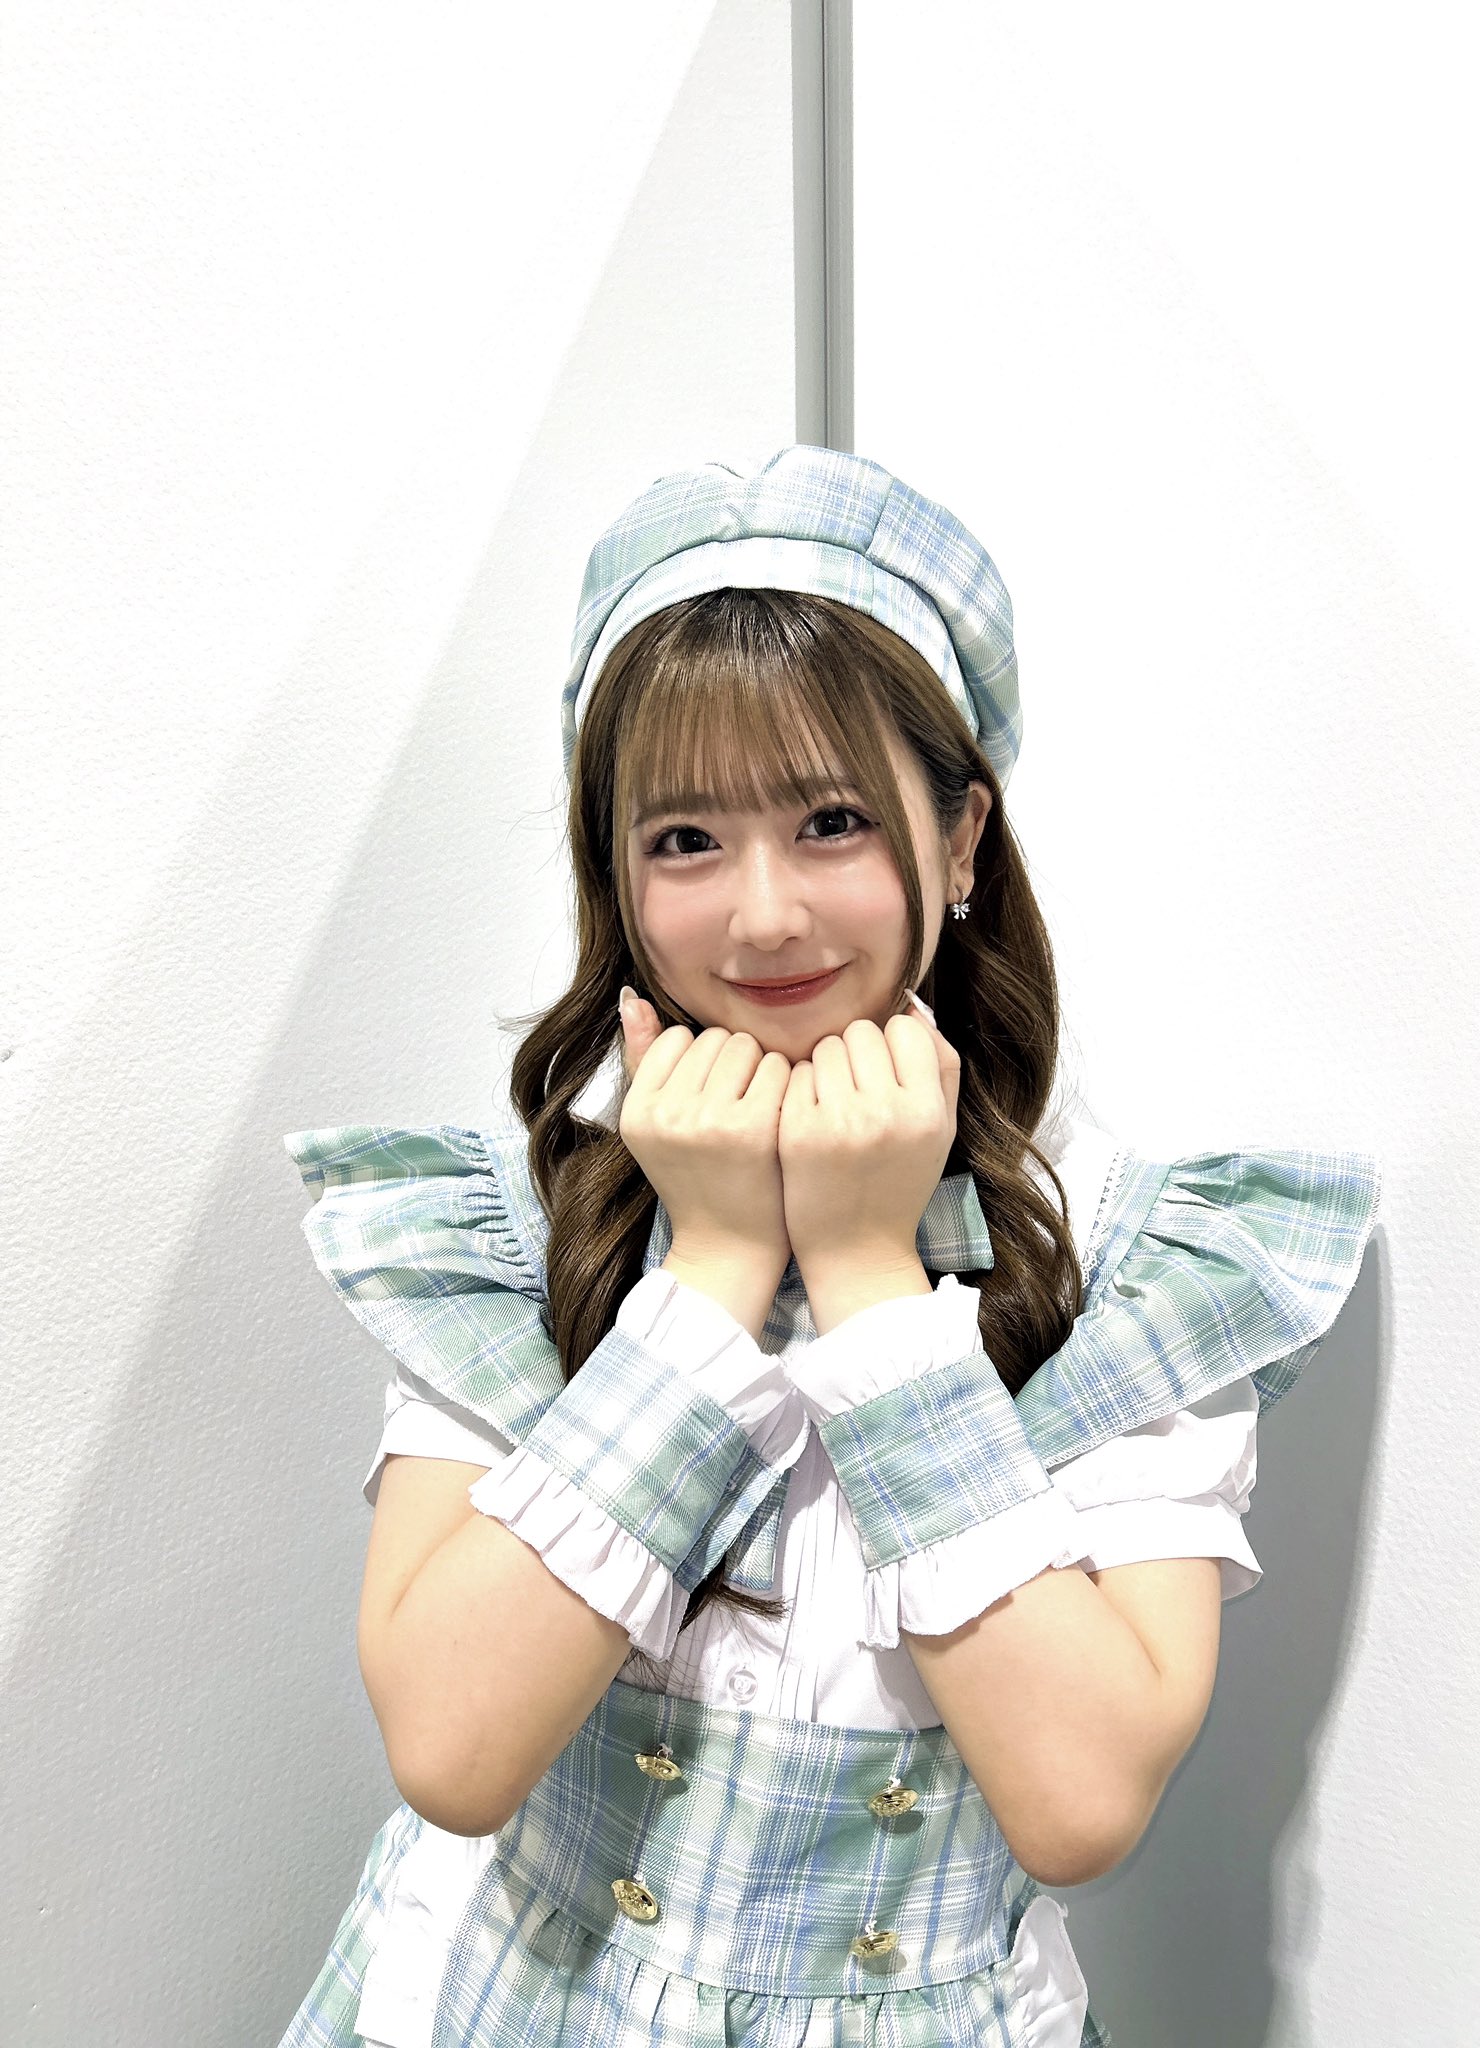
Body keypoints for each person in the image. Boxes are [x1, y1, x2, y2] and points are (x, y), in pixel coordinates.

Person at [275, 445, 1383, 2047]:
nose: (765, 914)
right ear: (613, 869)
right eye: (685, 840)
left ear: (962, 836)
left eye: (833, 821)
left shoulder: (1136, 1263)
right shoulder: (511, 1232)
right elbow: (452, 1752)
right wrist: (713, 1272)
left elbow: (1081, 1802)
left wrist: (872, 1285)